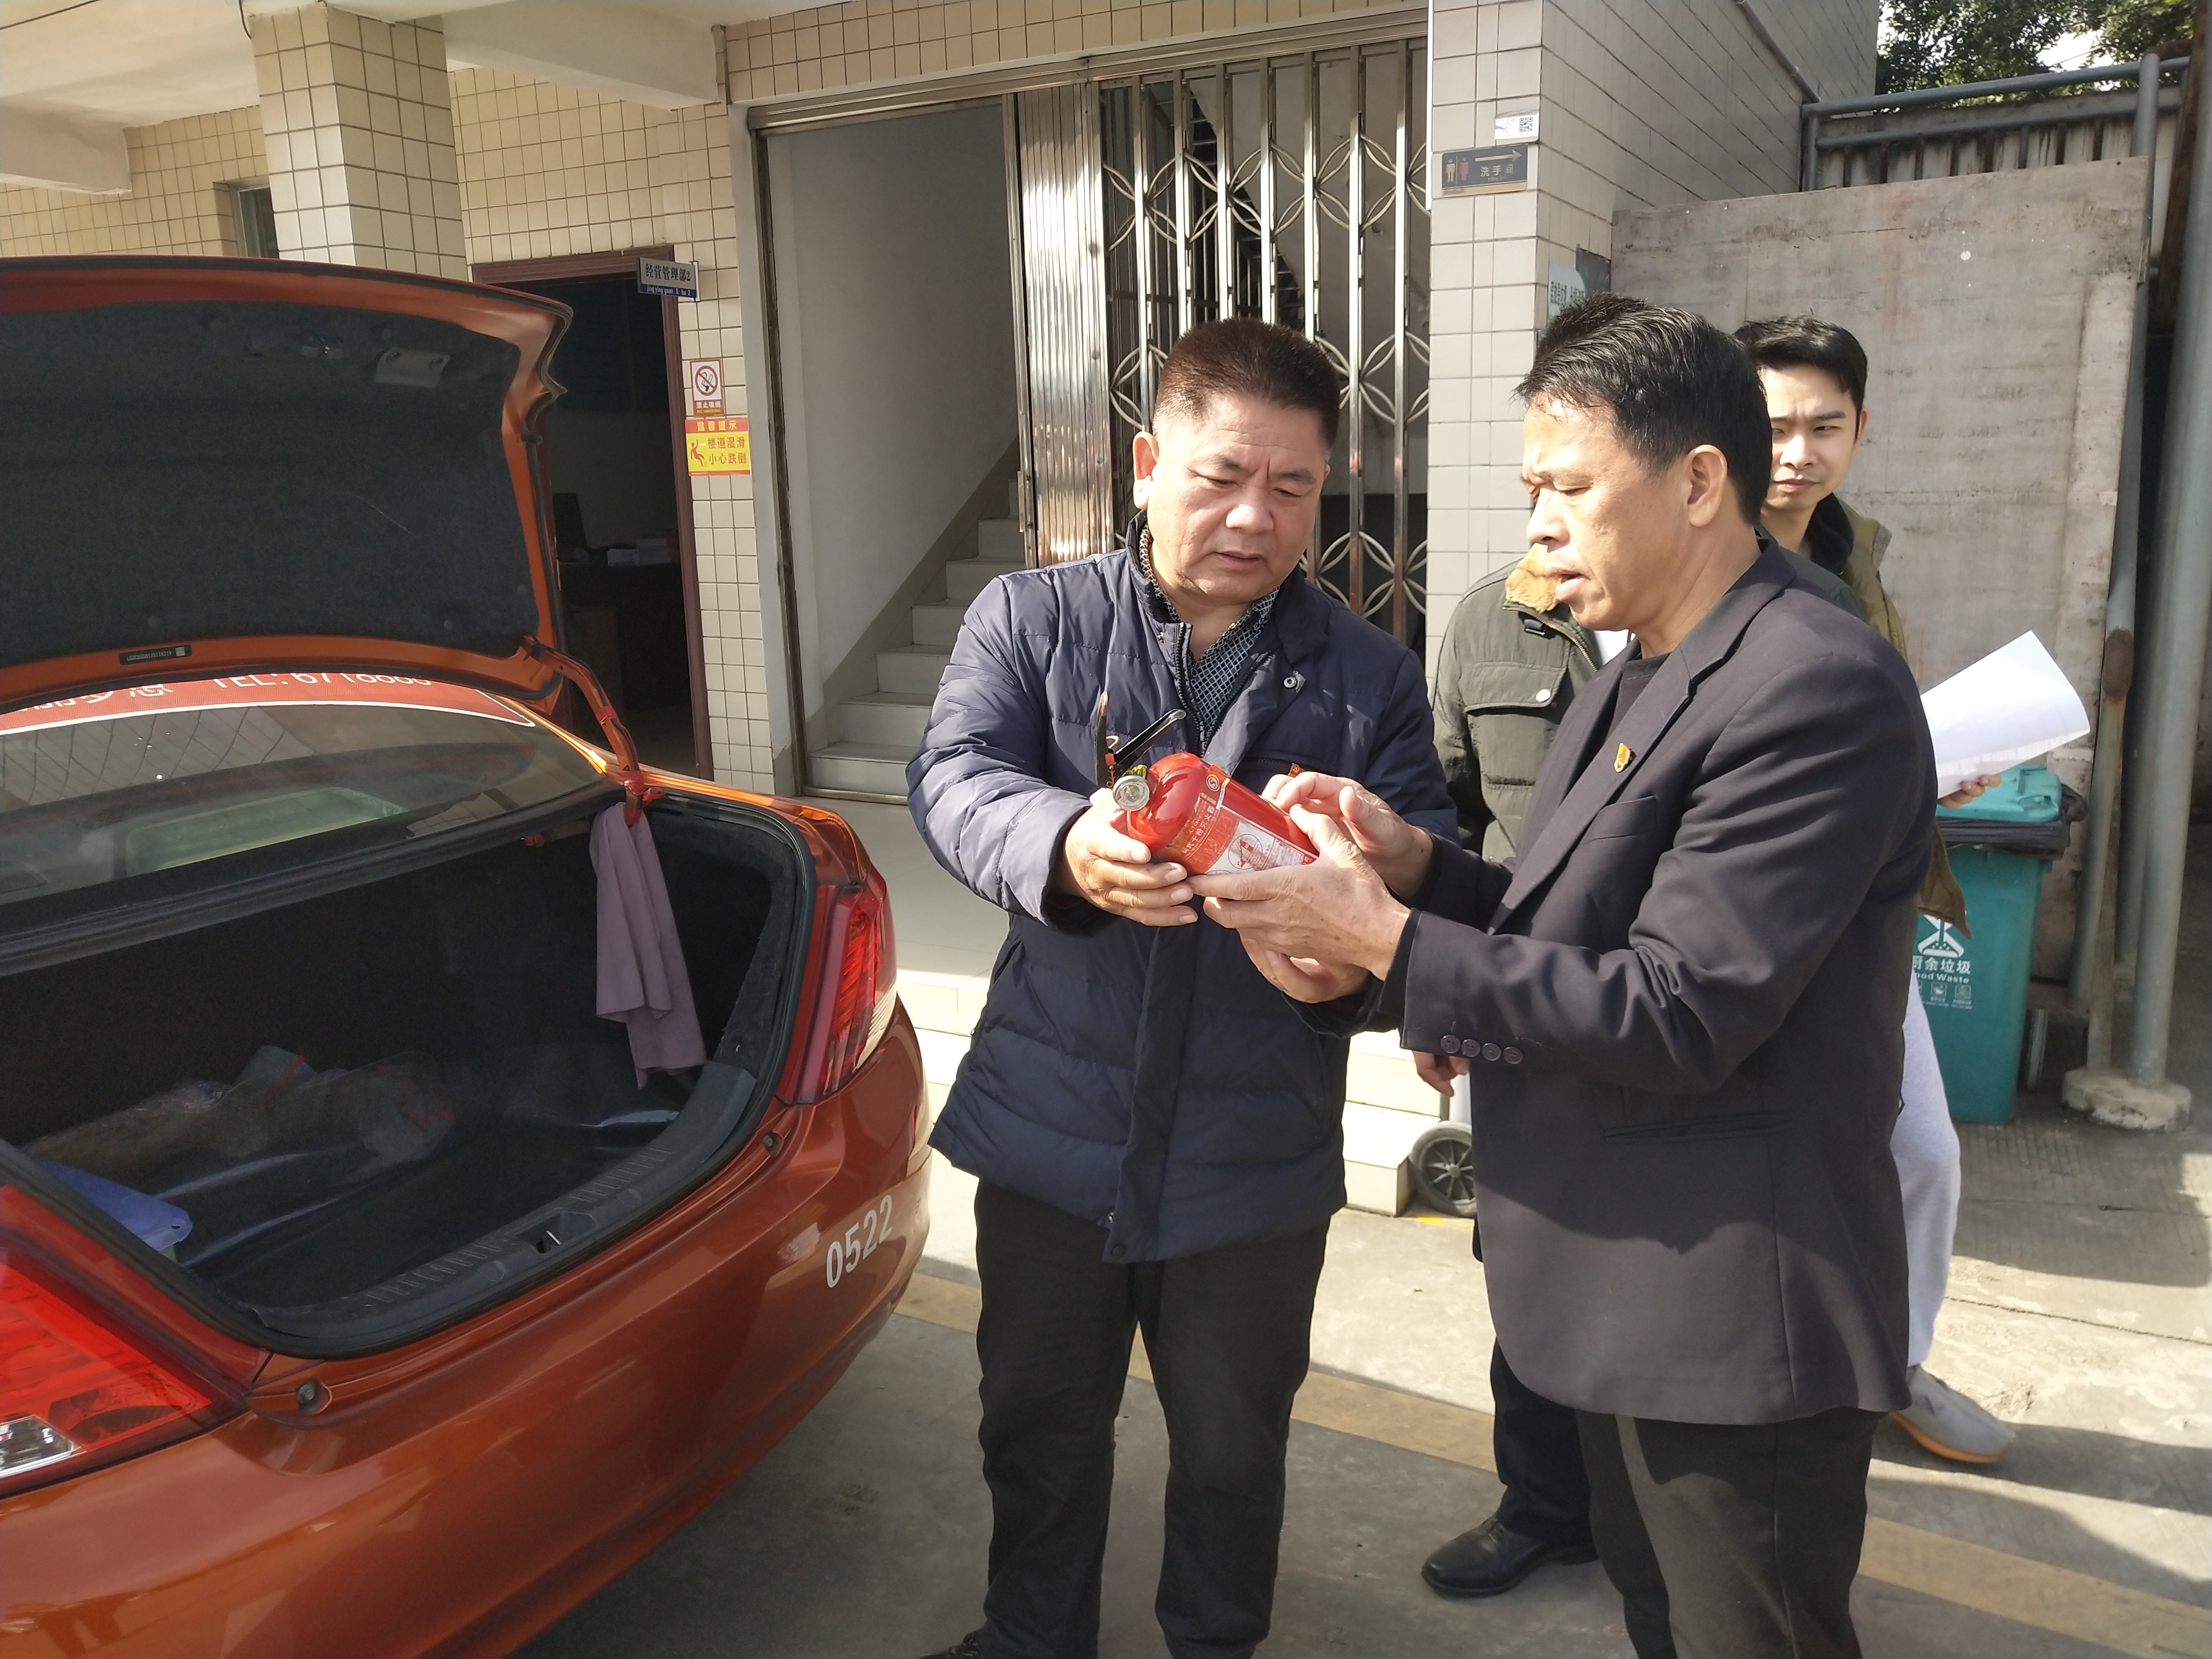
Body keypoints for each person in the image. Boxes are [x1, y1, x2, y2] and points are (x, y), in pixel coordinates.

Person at [1194, 295, 1929, 1659]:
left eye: (1570, 489)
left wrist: (1386, 941)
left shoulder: (1812, 683)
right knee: (1657, 1616)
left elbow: (1682, 1008)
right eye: (1534, 490)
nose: (1538, 527)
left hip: (1728, 1310)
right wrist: (1417, 866)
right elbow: (1572, 924)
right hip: (1620, 1280)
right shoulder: (1643, 666)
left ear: (1698, 482)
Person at [906, 318, 1455, 1659]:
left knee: (1233, 1445)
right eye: (1221, 476)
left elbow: (1421, 883)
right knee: (1036, 1422)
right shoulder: (1032, 620)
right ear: (1148, 464)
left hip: (1250, 1145)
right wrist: (1061, 843)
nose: (1255, 517)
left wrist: (1343, 966)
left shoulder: (1372, 677)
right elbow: (954, 777)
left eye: (1293, 487)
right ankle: (1030, 1639)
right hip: (1053, 1127)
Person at [1736, 313, 2015, 1464]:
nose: (1797, 453)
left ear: (1861, 429)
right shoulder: (1696, 552)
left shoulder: (1859, 560)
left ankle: (1892, 1361)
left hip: (1863, 911)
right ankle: (1764, 1376)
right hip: (1742, 911)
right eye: (1773, 427)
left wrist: (1938, 760)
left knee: (1922, 1153)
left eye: (1825, 426)